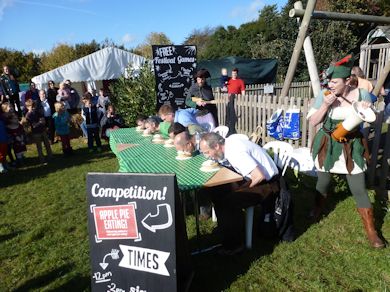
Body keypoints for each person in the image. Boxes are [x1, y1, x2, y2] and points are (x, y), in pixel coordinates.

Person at [307, 54, 385, 249]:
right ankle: (317, 208)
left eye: (334, 82)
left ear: (347, 80)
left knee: (358, 186)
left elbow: (374, 120)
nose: (330, 85)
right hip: (327, 143)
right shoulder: (324, 95)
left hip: (352, 145)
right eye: (329, 82)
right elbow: (313, 121)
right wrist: (325, 105)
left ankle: (372, 232)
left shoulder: (361, 94)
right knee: (323, 181)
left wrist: (369, 110)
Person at [199, 132, 280, 254]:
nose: (208, 156)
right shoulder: (229, 144)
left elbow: (259, 176)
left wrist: (238, 189)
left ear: (216, 146)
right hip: (254, 179)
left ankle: (234, 245)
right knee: (215, 189)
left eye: (207, 152)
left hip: (269, 185)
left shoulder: (235, 152)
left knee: (228, 202)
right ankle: (228, 228)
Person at [25, 99, 52, 164]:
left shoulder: (37, 112)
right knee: (39, 147)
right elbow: (33, 125)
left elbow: (42, 119)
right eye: (32, 106)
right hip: (36, 133)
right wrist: (40, 122)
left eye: (34, 106)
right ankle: (42, 160)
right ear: (27, 107)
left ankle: (50, 157)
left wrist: (42, 122)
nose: (34, 107)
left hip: (42, 130)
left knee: (47, 144)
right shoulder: (28, 115)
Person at [226, 68, 245, 136]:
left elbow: (243, 90)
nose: (234, 74)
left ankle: (236, 128)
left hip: (237, 101)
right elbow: (225, 88)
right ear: (231, 74)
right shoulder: (229, 81)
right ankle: (230, 128)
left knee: (236, 114)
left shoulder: (240, 81)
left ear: (237, 74)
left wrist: (243, 98)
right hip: (229, 101)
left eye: (235, 73)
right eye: (233, 73)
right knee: (229, 115)